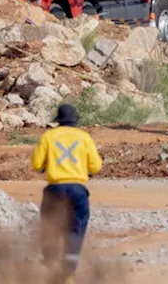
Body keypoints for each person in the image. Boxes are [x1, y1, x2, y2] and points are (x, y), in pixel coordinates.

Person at [31, 104, 103, 283]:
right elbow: (96, 166)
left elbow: (36, 164)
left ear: (58, 120)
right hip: (78, 190)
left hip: (55, 189)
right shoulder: (84, 137)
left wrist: (47, 165)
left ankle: (50, 262)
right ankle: (68, 273)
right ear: (75, 120)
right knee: (76, 228)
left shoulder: (48, 136)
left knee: (49, 225)